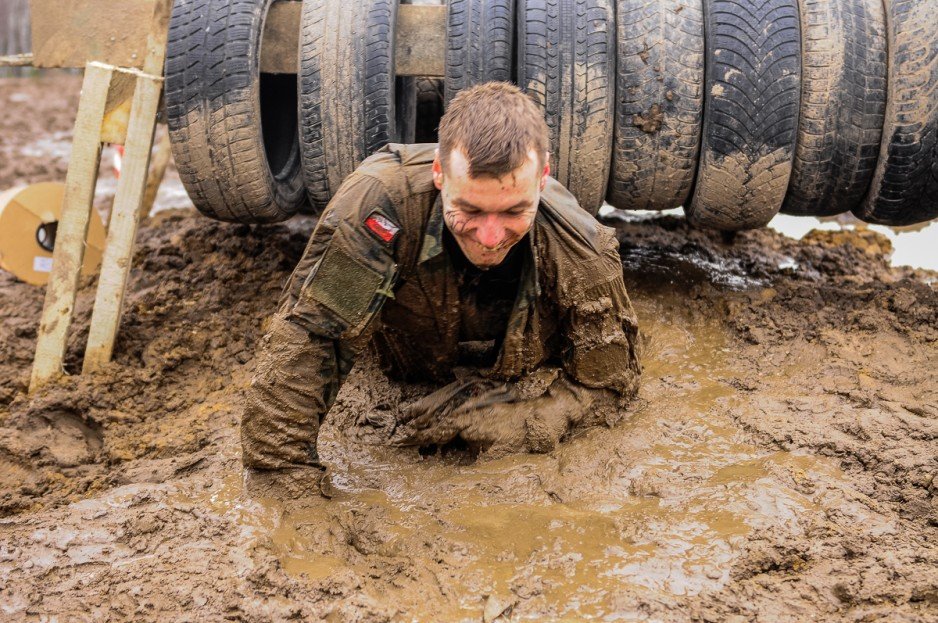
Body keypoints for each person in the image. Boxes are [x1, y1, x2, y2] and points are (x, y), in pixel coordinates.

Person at [241, 82, 641, 478]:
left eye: (512, 212)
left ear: (543, 178)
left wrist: (521, 418)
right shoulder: (379, 207)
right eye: (469, 209)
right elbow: (312, 339)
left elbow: (610, 386)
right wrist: (285, 477)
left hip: (524, 359)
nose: (489, 237)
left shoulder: (582, 249)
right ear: (438, 172)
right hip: (405, 355)